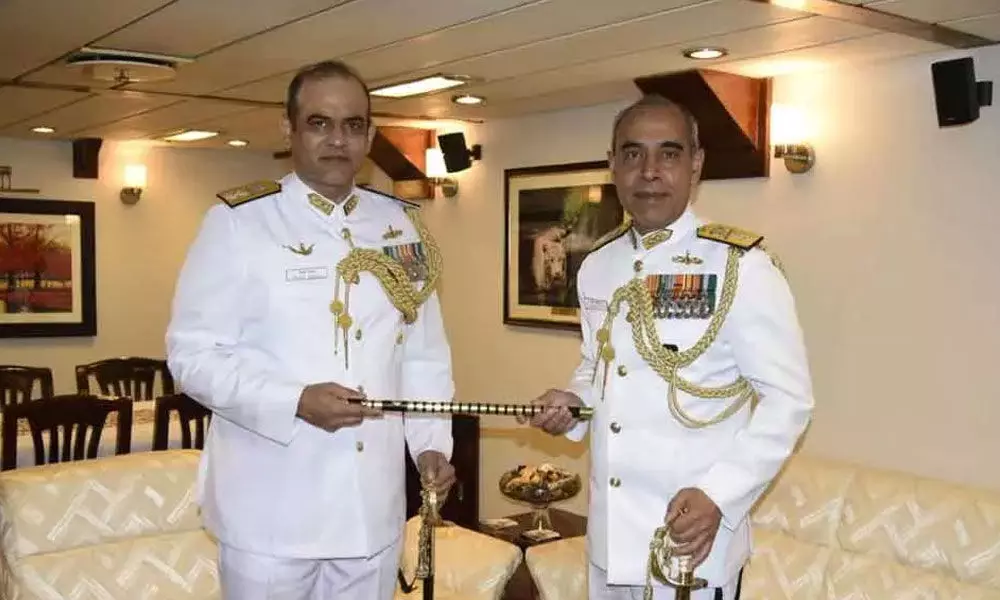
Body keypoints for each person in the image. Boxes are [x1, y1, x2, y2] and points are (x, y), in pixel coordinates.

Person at [166, 59, 457, 600]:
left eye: (353, 125)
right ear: (289, 129)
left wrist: (431, 446)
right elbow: (193, 357)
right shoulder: (239, 222)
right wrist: (294, 399)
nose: (338, 140)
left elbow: (422, 356)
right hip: (270, 510)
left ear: (369, 134)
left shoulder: (400, 226)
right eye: (320, 123)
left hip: (370, 509)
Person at [525, 94, 814, 599]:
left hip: (692, 544)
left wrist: (720, 496)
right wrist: (573, 405)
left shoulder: (741, 266)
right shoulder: (599, 264)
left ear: (696, 164)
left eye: (669, 153)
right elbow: (598, 368)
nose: (650, 171)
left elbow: (790, 401)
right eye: (633, 154)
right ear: (613, 165)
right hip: (612, 542)